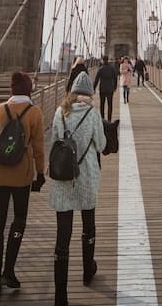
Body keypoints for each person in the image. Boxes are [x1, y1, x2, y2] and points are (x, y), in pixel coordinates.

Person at [0, 71, 45, 298]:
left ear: (11, 90)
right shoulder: (35, 112)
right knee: (19, 220)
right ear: (29, 89)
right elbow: (38, 147)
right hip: (21, 176)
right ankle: (8, 270)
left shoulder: (0, 110)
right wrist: (41, 173)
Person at [48, 70, 107, 306]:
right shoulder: (92, 114)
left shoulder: (60, 112)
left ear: (72, 92)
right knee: (88, 225)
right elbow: (102, 145)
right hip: (87, 177)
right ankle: (87, 269)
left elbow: (54, 143)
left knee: (63, 236)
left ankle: (60, 295)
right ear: (89, 93)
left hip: (63, 178)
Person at [92, 56, 119, 120]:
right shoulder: (112, 68)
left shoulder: (100, 69)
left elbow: (96, 80)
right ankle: (109, 119)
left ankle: (102, 119)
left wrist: (94, 88)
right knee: (110, 105)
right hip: (110, 88)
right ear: (108, 60)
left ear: (103, 60)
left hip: (102, 88)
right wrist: (115, 86)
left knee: (102, 104)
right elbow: (115, 78)